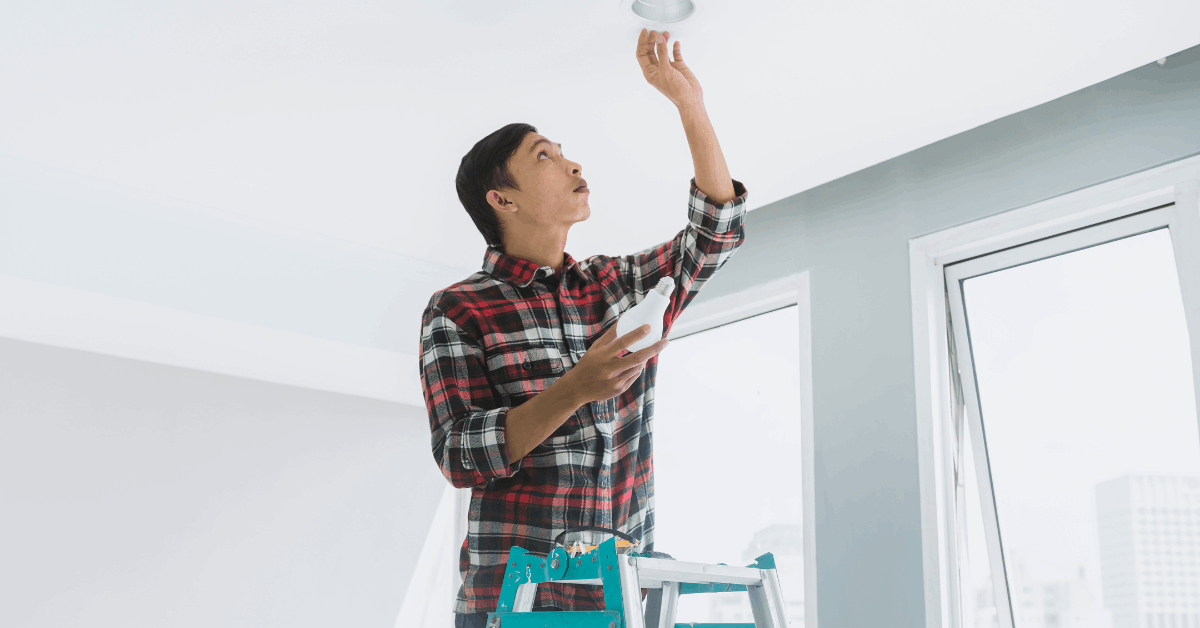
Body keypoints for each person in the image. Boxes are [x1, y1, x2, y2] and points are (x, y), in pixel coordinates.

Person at [420, 28, 749, 628]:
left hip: (618, 600)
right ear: (503, 200)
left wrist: (689, 106)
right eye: (543, 156)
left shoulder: (615, 287)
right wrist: (579, 385)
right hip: (513, 606)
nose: (572, 162)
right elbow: (460, 453)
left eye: (563, 151)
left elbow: (715, 233)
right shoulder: (458, 309)